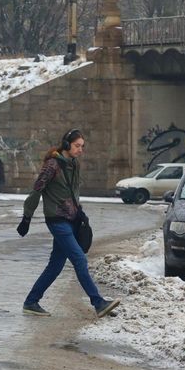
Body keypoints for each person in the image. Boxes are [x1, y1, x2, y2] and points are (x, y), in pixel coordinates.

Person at [15, 129, 121, 318]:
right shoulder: (52, 165)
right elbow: (36, 191)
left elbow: (73, 192)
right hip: (57, 220)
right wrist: (26, 218)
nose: (81, 150)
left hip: (71, 219)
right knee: (79, 259)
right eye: (77, 146)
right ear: (66, 145)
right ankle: (98, 303)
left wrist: (79, 212)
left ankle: (31, 302)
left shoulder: (73, 164)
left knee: (55, 265)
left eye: (82, 146)